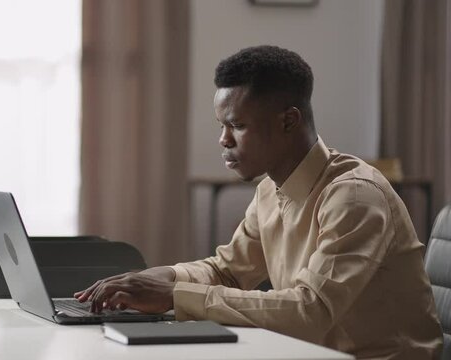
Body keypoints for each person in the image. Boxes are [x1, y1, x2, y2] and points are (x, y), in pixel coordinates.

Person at [74, 45, 443, 359]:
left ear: (288, 121)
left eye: (237, 125)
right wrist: (166, 277)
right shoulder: (270, 189)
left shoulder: (355, 196)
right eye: (222, 125)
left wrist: (175, 295)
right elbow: (228, 271)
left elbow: (310, 310)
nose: (223, 140)